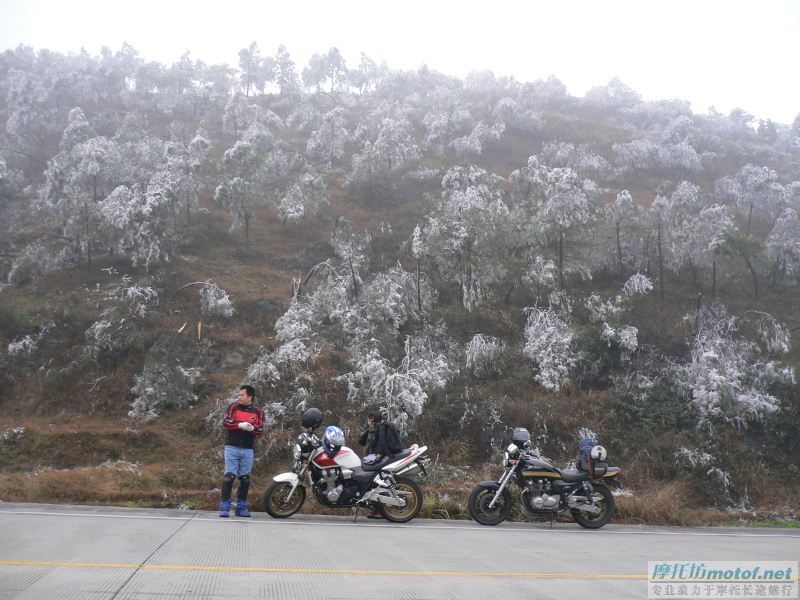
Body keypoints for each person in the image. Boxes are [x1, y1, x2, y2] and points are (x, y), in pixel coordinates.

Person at [219, 385, 264, 518]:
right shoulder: (233, 407)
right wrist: (239, 425)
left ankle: (241, 507)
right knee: (229, 477)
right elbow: (226, 422)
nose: (239, 397)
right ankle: (225, 507)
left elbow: (260, 430)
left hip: (247, 450)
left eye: (242, 395)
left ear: (250, 397)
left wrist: (251, 428)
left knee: (245, 479)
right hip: (231, 447)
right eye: (239, 395)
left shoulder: (258, 412)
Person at [358, 409, 403, 519]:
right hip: (376, 458)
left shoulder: (383, 428)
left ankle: (380, 511)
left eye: (369, 420)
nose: (368, 421)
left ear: (373, 420)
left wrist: (376, 459)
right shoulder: (374, 428)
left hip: (382, 460)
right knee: (370, 486)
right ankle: (375, 510)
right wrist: (368, 430)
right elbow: (362, 441)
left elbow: (382, 446)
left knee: (376, 485)